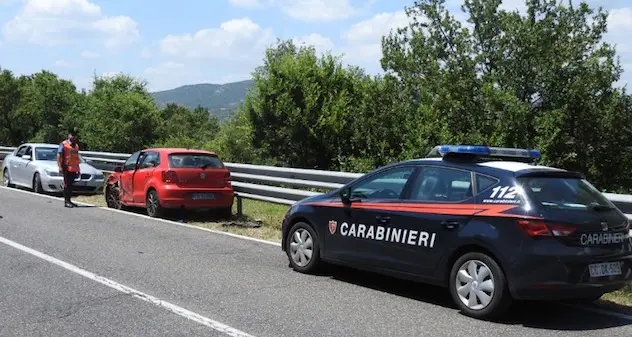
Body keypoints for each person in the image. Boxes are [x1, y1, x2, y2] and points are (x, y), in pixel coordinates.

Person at [57, 129, 81, 208]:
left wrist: (78, 169)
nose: (73, 137)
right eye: (72, 135)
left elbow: (76, 158)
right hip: (66, 168)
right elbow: (59, 156)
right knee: (67, 185)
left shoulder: (76, 146)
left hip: (74, 168)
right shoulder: (63, 144)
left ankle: (69, 200)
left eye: (75, 136)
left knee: (71, 186)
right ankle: (66, 201)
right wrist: (60, 167)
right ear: (69, 135)